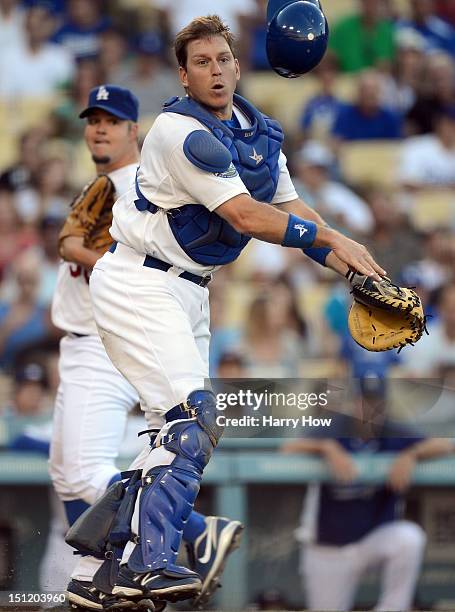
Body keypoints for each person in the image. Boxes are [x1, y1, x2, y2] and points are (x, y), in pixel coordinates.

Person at [88, 14, 386, 606]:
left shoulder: (258, 131)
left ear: (238, 63)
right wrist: (329, 241)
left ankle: (109, 568)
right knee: (188, 421)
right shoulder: (179, 130)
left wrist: (355, 270)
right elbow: (247, 217)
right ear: (185, 73)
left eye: (223, 58)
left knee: (169, 435)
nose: (216, 69)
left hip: (191, 290)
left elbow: (294, 209)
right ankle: (150, 564)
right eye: (202, 62)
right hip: (139, 281)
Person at [49, 84, 241, 610]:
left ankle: (196, 531)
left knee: (88, 471)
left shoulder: (141, 184)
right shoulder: (109, 182)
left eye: (112, 120)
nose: (100, 128)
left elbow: (123, 257)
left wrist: (79, 247)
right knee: (68, 474)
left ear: (136, 130)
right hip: (89, 339)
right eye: (93, 119)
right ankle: (96, 571)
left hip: (110, 336)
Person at [282, 379, 454, 611]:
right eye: (365, 402)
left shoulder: (392, 429)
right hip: (328, 547)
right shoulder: (337, 426)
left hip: (371, 541)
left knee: (409, 538)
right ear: (355, 403)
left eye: (377, 403)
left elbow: (445, 445)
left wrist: (411, 454)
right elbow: (289, 449)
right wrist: (326, 448)